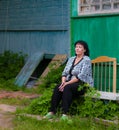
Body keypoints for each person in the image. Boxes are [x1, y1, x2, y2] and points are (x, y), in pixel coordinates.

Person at [44, 40, 94, 121]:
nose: (77, 49)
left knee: (67, 88)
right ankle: (52, 112)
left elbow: (80, 76)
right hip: (70, 82)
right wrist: (63, 82)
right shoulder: (71, 59)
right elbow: (64, 73)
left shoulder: (86, 60)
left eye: (80, 47)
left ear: (84, 50)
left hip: (83, 84)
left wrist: (66, 84)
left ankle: (65, 114)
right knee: (58, 87)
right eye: (76, 47)